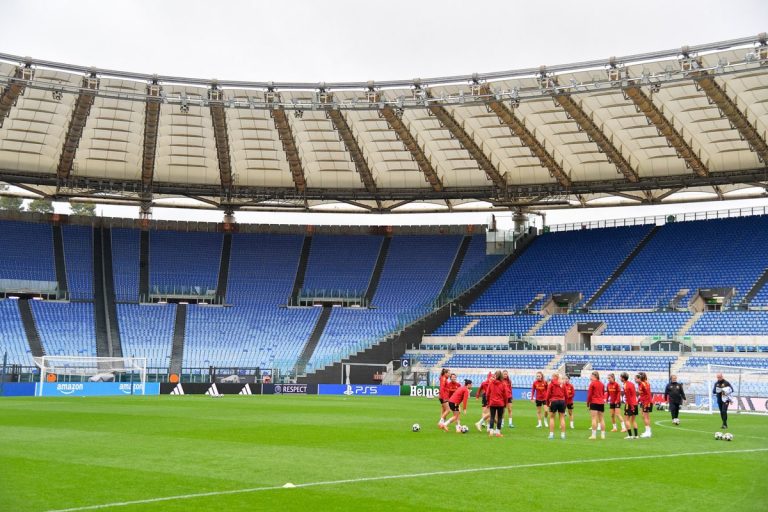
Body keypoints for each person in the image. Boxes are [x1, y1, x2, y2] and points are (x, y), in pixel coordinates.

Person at [486, 371, 511, 437]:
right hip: (500, 403)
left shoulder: (491, 383)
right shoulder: (503, 384)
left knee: (492, 417)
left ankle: (491, 431)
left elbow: (487, 393)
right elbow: (506, 395)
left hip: (492, 403)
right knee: (499, 418)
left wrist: (488, 402)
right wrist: (505, 403)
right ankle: (498, 432)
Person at [546, 373, 567, 440]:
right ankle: (563, 435)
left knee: (552, 418)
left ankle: (551, 434)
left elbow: (548, 394)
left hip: (554, 401)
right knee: (562, 418)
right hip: (562, 401)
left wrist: (547, 403)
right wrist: (565, 402)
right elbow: (566, 394)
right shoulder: (562, 384)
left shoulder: (551, 384)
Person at [586, 371, 606, 440]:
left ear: (594, 376)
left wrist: (588, 403)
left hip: (594, 402)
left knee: (594, 418)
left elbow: (589, 394)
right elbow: (603, 393)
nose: (590, 377)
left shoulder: (592, 384)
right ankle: (603, 435)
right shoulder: (602, 384)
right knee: (601, 419)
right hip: (601, 402)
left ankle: (593, 435)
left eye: (591, 376)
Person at [621, 372, 639, 439]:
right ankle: (636, 435)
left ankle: (630, 435)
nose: (620, 378)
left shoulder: (625, 385)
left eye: (621, 377)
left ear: (623, 378)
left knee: (627, 420)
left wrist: (631, 406)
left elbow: (628, 397)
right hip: (635, 403)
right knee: (633, 420)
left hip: (629, 404)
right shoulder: (632, 384)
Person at [636, 372, 653, 438]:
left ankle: (648, 432)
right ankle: (648, 430)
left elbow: (648, 394)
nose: (635, 380)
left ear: (640, 378)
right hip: (643, 402)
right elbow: (642, 394)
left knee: (645, 416)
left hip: (646, 402)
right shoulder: (640, 384)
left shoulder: (644, 384)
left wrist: (646, 403)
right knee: (644, 416)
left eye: (636, 378)